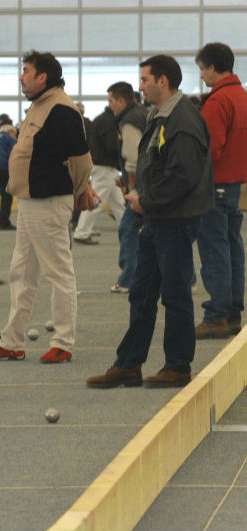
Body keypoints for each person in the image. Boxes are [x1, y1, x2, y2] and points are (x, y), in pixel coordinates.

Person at [87, 55, 214, 389]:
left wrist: (146, 200)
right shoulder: (160, 115)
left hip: (173, 220)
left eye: (144, 79)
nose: (140, 86)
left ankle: (178, 366)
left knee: (175, 295)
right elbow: (159, 165)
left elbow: (182, 176)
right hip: (156, 218)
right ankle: (129, 364)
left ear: (162, 81)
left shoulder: (182, 120)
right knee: (141, 294)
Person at [0, 50, 96, 365]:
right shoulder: (39, 105)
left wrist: (80, 189)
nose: (21, 76)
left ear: (43, 77)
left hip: (49, 201)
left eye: (26, 71)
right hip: (30, 201)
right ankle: (12, 341)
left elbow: (81, 159)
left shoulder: (62, 110)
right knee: (21, 272)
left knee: (59, 273)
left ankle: (63, 342)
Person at [193, 42, 247, 339]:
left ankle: (216, 316)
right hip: (235, 186)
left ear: (213, 67)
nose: (202, 75)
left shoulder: (218, 101)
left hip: (214, 186)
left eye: (203, 69)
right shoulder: (242, 96)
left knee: (215, 253)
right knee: (232, 250)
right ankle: (233, 314)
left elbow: (208, 150)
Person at [107, 81, 148, 294]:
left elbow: (133, 159)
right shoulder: (142, 114)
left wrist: (133, 188)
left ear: (122, 100)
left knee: (128, 229)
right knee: (161, 231)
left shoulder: (129, 121)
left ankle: (128, 279)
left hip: (142, 187)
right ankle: (188, 279)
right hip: (151, 183)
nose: (109, 105)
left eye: (111, 101)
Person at [72, 104, 126, 245]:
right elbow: (112, 147)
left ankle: (128, 230)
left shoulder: (100, 120)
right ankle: (81, 233)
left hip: (101, 165)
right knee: (96, 202)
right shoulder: (109, 122)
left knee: (118, 203)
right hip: (105, 167)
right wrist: (121, 160)